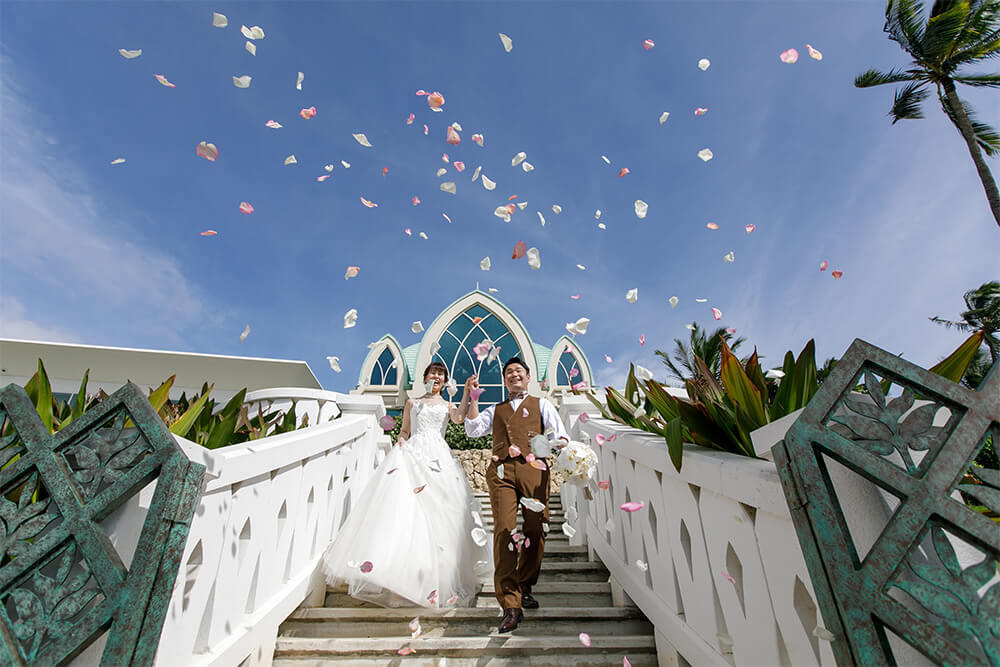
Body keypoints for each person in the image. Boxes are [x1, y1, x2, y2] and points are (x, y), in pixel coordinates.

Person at [321, 361, 492, 608]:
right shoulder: (413, 403)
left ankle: (435, 580)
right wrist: (401, 442)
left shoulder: (447, 405)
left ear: (445, 382)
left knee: (442, 517)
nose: (437, 377)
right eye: (433, 373)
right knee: (405, 512)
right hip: (412, 455)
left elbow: (457, 419)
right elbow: (404, 431)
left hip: (438, 459)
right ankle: (398, 578)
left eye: (441, 374)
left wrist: (467, 391)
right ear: (425, 377)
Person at [458, 357, 569, 633]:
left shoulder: (542, 404)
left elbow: (560, 436)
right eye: (508, 372)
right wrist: (472, 396)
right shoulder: (496, 410)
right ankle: (510, 605)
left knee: (536, 527)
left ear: (528, 377)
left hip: (534, 469)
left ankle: (525, 584)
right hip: (501, 473)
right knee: (505, 532)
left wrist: (562, 448)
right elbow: (472, 430)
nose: (513, 375)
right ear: (505, 380)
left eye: (518, 371)